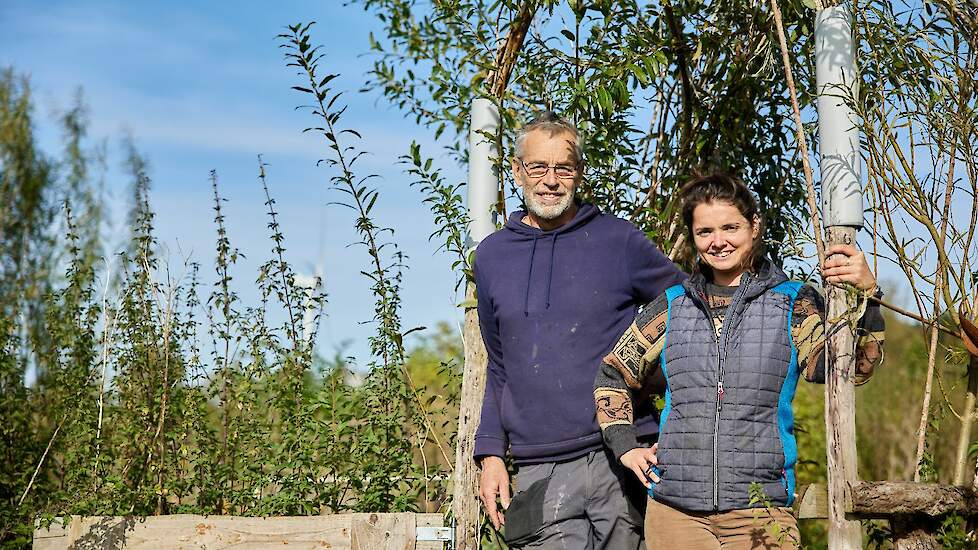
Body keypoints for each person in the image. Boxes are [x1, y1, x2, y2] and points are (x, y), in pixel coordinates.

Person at [593, 173, 885, 549]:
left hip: (762, 511)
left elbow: (848, 369)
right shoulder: (670, 306)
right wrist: (625, 444)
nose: (718, 242)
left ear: (754, 226)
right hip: (675, 514)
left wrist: (869, 296)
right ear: (693, 237)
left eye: (730, 227)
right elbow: (614, 373)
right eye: (705, 232)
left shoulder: (794, 301)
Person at [474, 111, 687, 549]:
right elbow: (499, 367)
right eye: (538, 166)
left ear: (579, 174)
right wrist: (491, 452)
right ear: (517, 171)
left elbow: (690, 306)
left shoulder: (619, 241)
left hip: (622, 457)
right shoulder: (492, 258)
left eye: (564, 168)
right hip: (538, 467)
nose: (551, 180)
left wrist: (650, 372)